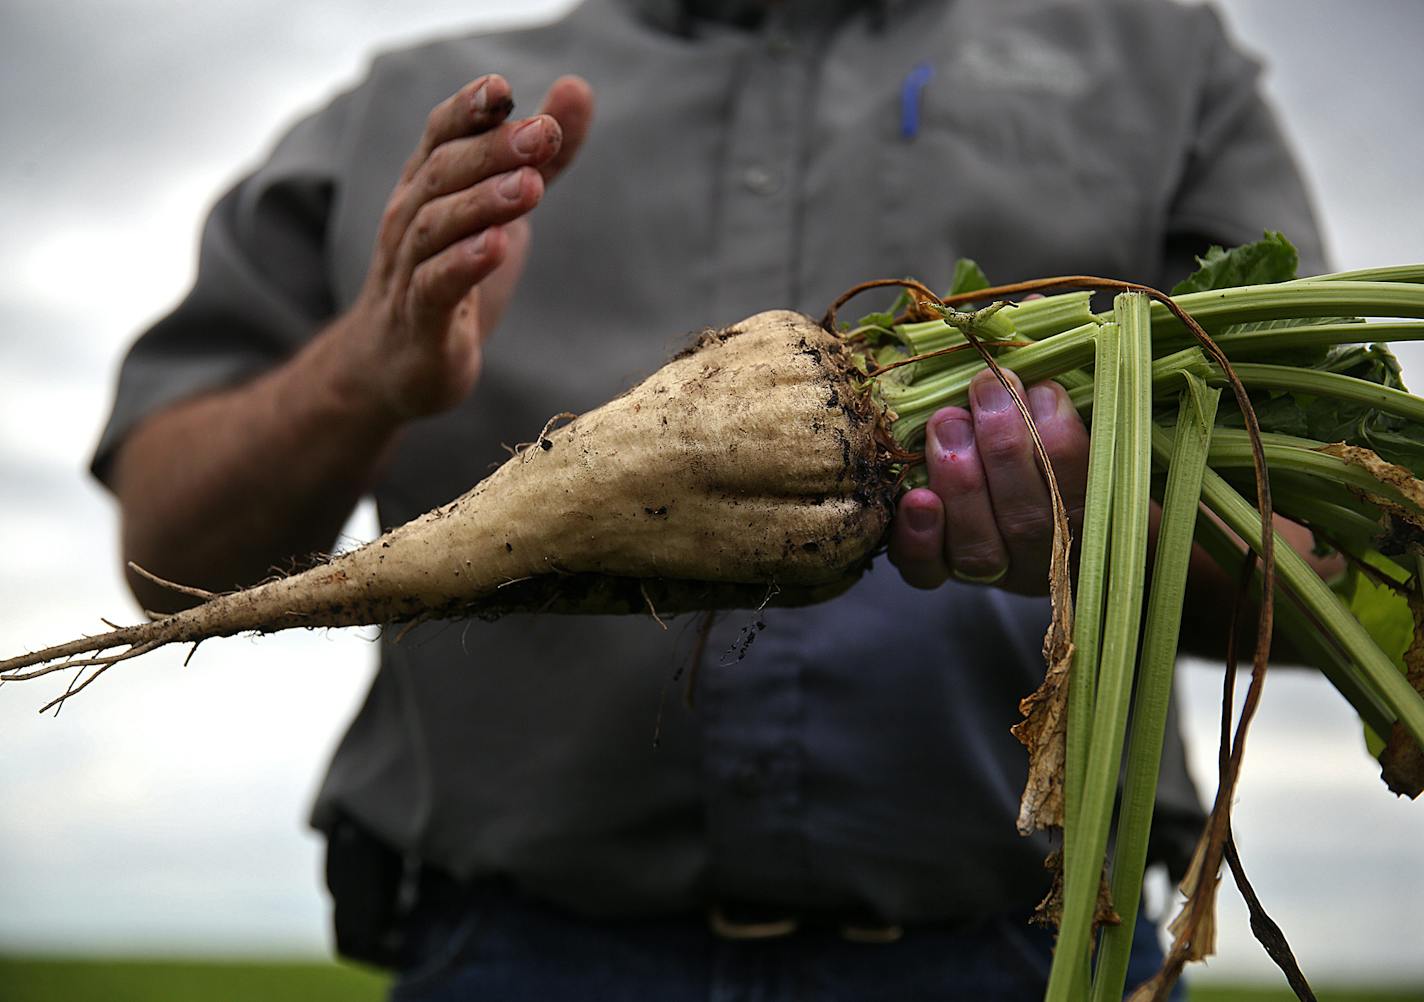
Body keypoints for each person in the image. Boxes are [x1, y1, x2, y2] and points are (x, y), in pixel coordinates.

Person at [91, 1, 1327, 998]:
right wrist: (360, 369)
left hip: (1025, 950)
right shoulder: (410, 109)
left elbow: (1330, 551)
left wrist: (1094, 530)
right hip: (512, 958)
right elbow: (167, 553)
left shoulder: (1157, 60)